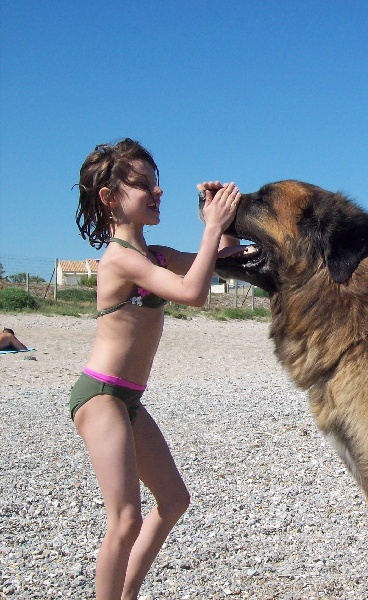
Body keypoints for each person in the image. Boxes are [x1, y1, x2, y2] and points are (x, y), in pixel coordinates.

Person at [71, 138, 241, 600]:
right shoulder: (119, 258)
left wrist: (222, 224)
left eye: (157, 183)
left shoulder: (157, 256)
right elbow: (193, 294)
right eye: (142, 184)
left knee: (173, 501)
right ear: (109, 198)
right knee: (125, 518)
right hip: (100, 394)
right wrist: (210, 230)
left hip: (127, 398)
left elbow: (228, 265)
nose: (157, 191)